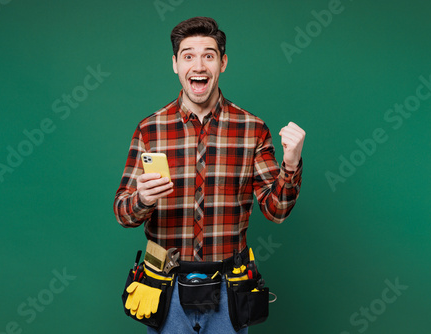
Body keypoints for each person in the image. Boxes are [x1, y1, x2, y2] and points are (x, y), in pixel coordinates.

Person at [114, 16, 305, 334]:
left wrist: (291, 163)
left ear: (223, 62)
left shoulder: (252, 129)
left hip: (230, 289)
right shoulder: (150, 129)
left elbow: (277, 211)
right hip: (165, 289)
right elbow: (123, 213)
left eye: (209, 55)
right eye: (188, 55)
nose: (198, 66)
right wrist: (142, 199)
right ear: (175, 64)